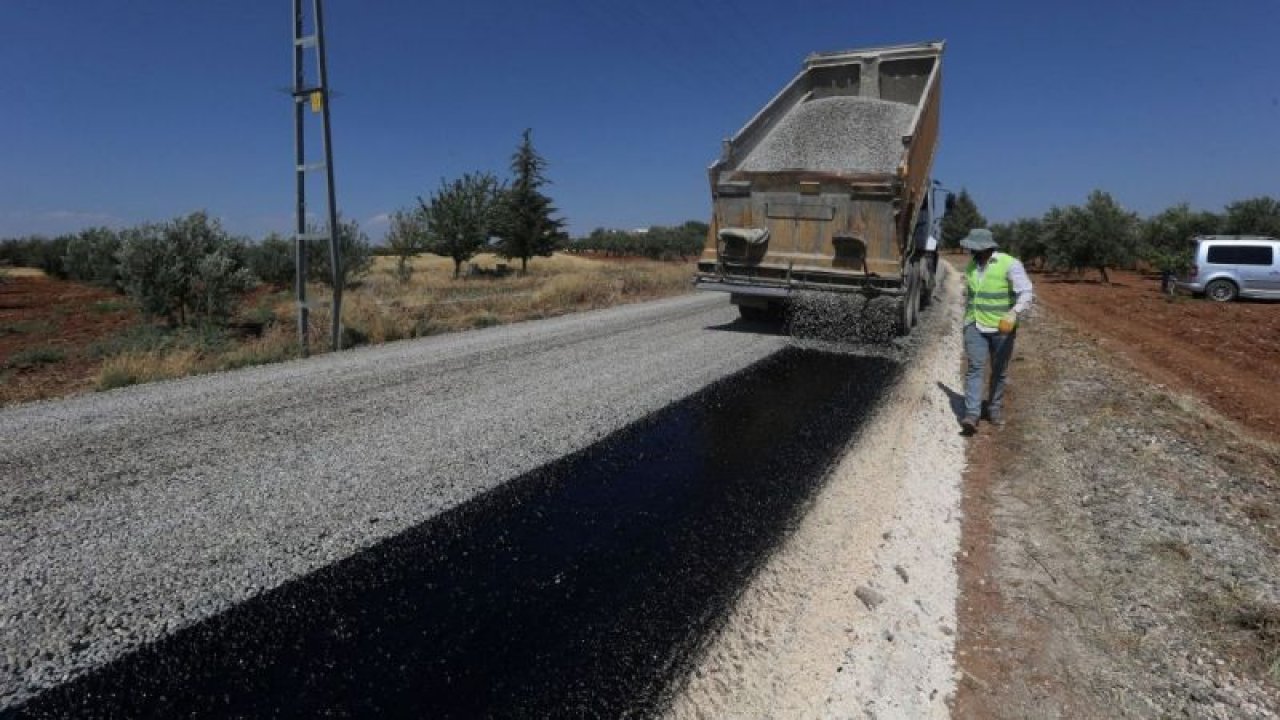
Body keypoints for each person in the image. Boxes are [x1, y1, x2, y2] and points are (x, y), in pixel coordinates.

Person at [959, 228, 1033, 433]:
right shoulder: (972, 265)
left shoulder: (1009, 263)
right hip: (975, 324)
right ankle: (972, 414)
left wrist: (1015, 312)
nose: (971, 251)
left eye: (974, 248)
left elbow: (1026, 291)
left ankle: (994, 409)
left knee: (999, 370)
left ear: (986, 248)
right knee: (975, 368)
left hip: (1002, 327)